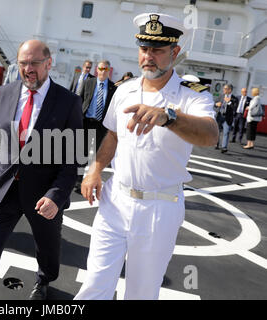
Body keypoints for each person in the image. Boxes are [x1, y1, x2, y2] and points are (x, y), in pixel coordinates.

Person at [74, 13, 218, 300]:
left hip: (158, 207)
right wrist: (95, 169)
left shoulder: (192, 95)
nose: (148, 56)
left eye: (157, 50)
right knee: (94, 285)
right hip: (115, 200)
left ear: (174, 52)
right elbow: (112, 135)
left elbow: (210, 135)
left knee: (141, 292)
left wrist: (169, 117)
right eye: (144, 49)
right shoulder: (124, 90)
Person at [0, 39, 83, 300]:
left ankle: (45, 280)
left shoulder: (69, 102)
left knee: (48, 250)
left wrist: (56, 196)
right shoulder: (6, 92)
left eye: (35, 63)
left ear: (49, 63)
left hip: (43, 196)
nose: (28, 69)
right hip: (3, 189)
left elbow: (75, 158)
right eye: (23, 63)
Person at [75, 60, 117, 191]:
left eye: (105, 69)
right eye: (100, 68)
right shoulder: (89, 83)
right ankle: (77, 182)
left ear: (109, 71)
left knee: (96, 155)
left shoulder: (113, 88)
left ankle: (90, 179)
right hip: (87, 122)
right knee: (82, 153)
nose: (103, 71)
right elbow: (79, 100)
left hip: (101, 126)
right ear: (97, 70)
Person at [214, 84, 238, 153]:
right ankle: (216, 144)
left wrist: (229, 102)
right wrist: (216, 104)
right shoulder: (221, 96)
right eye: (223, 88)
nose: (223, 90)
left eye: (225, 88)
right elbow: (215, 103)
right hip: (220, 116)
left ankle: (224, 147)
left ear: (229, 90)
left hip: (228, 118)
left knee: (226, 132)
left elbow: (235, 108)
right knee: (217, 131)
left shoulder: (234, 98)